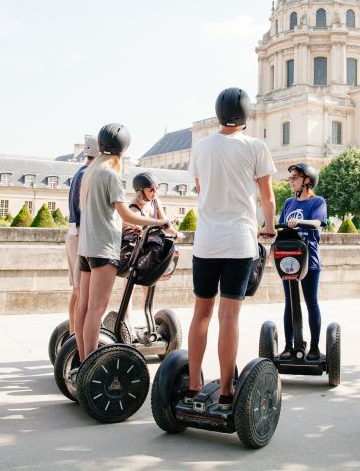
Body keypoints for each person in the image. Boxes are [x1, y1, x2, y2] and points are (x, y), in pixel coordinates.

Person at [186, 87, 276, 409]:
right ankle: (226, 390)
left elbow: (200, 188)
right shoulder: (256, 146)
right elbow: (266, 196)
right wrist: (268, 226)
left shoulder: (202, 147)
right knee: (229, 317)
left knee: (201, 314)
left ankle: (194, 384)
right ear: (246, 115)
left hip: (207, 240)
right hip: (239, 241)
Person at [74, 124, 169, 366]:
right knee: (96, 310)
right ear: (122, 150)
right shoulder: (110, 174)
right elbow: (126, 215)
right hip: (104, 248)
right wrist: (160, 221)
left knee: (83, 309)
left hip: (86, 249)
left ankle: (84, 361)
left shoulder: (90, 172)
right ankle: (90, 367)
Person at [278, 162, 327, 360]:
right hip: (288, 257)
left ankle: (314, 346)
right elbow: (282, 225)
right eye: (290, 178)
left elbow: (318, 222)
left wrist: (300, 222)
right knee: (290, 302)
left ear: (307, 181)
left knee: (310, 301)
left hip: (309, 258)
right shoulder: (289, 203)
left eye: (295, 178)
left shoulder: (317, 202)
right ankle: (289, 345)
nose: (291, 181)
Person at [121, 171, 182, 318]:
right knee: (129, 288)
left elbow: (165, 222)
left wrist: (175, 233)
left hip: (150, 251)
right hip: (135, 252)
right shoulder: (134, 207)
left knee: (148, 288)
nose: (155, 192)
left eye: (156, 188)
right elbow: (126, 223)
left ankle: (149, 322)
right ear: (141, 191)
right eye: (151, 190)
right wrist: (135, 227)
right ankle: (126, 323)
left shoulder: (156, 202)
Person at [65, 137, 97, 334]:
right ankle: (74, 336)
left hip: (74, 233)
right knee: (79, 290)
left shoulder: (81, 172)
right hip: (80, 235)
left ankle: (73, 333)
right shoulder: (87, 174)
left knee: (78, 290)